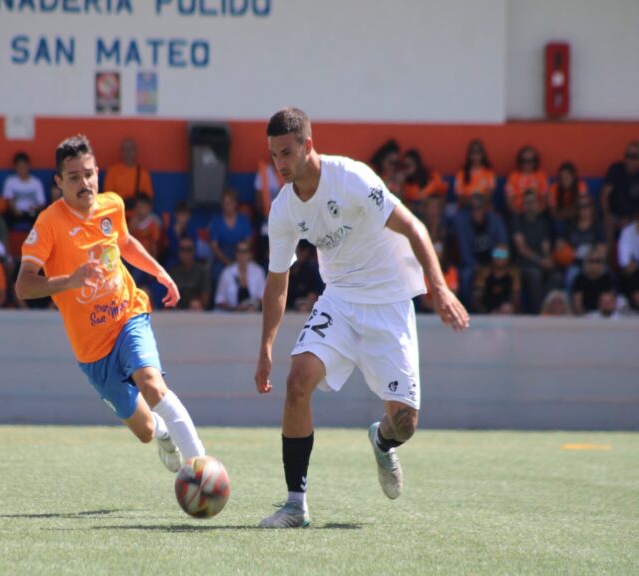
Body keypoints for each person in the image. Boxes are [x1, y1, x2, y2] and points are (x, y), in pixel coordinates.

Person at [254, 108, 469, 528]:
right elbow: (277, 283)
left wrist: (439, 287)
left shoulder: (352, 178)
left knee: (405, 423)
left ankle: (381, 440)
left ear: (307, 145)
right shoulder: (282, 210)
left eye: (285, 152)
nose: (279, 163)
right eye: (273, 155)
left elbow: (414, 227)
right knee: (298, 382)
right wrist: (265, 347)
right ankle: (295, 505)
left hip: (389, 303)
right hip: (341, 300)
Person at [14, 134, 205, 474]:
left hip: (128, 316)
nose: (84, 183)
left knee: (151, 382)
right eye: (73, 177)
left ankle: (201, 466)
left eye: (89, 174)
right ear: (59, 182)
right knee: (146, 431)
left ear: (97, 172)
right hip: (92, 350)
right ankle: (165, 435)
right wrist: (69, 281)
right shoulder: (49, 223)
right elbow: (23, 286)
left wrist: (160, 272)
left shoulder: (112, 205)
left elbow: (125, 241)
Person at [452, 192, 509, 310]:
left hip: (494, 262)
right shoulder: (463, 223)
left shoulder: (495, 221)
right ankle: (467, 311)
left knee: (503, 274)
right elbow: (464, 252)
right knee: (466, 275)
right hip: (472, 264)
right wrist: (476, 266)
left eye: (479, 208)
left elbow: (503, 245)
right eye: (472, 209)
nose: (476, 212)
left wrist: (495, 263)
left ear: (485, 208)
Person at [512, 190, 560, 314]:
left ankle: (551, 312)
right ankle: (536, 314)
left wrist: (548, 260)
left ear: (537, 204)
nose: (530, 205)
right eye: (527, 202)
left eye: (532, 201)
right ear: (523, 204)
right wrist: (540, 261)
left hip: (540, 262)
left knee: (556, 277)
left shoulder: (543, 222)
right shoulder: (517, 220)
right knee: (535, 275)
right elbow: (521, 249)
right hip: (522, 263)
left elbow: (546, 246)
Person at [600, 141, 639, 245]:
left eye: (634, 156)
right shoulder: (616, 169)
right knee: (607, 226)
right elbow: (604, 195)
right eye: (627, 156)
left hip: (634, 217)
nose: (629, 160)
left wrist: (630, 219)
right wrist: (607, 215)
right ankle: (607, 260)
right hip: (614, 215)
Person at [104, 137, 154, 214]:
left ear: (135, 151)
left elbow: (148, 199)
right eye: (125, 149)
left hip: (137, 215)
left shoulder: (143, 173)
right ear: (121, 151)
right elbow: (108, 197)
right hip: (118, 212)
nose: (128, 152)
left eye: (131, 149)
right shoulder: (112, 171)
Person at [215, 240, 265, 312]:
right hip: (231, 314)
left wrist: (250, 305)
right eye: (239, 251)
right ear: (235, 254)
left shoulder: (258, 272)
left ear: (249, 254)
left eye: (245, 251)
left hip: (253, 313)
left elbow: (262, 297)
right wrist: (236, 308)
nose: (242, 255)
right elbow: (219, 300)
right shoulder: (227, 273)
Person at [2, 151, 46, 230]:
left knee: (42, 218)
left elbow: (41, 203)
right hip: (15, 212)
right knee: (4, 218)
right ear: (15, 167)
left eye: (24, 166)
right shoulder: (10, 181)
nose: (22, 169)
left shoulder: (36, 182)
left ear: (28, 166)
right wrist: (14, 209)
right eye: (19, 166)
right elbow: (8, 200)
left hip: (32, 213)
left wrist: (36, 209)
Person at [400, 149, 448, 219]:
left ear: (416, 164)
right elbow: (412, 196)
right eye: (403, 166)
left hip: (433, 207)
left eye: (408, 166)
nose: (406, 170)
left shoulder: (429, 175)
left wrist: (427, 192)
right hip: (414, 208)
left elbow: (442, 187)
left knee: (433, 204)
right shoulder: (404, 181)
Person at [475, 244, 521, 314]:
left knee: (507, 308)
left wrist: (512, 309)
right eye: (496, 254)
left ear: (508, 257)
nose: (499, 258)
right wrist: (485, 312)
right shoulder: (484, 272)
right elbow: (477, 296)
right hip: (488, 310)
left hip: (506, 310)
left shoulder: (513, 273)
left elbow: (516, 296)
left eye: (502, 255)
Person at [167, 235, 210, 311]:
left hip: (196, 312)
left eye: (189, 250)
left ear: (193, 251)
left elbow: (205, 299)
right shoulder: (173, 271)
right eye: (182, 249)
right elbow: (168, 298)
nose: (185, 253)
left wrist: (196, 304)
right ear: (178, 252)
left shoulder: (201, 271)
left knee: (196, 304)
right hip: (176, 312)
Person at [504, 145, 549, 217]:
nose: (527, 164)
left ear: (535, 161)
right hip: (518, 213)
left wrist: (537, 212)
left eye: (530, 161)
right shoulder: (513, 177)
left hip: (537, 213)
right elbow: (509, 201)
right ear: (519, 161)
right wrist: (518, 213)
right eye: (524, 160)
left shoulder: (541, 176)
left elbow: (544, 199)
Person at [571, 248, 615, 316]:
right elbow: (577, 303)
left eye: (597, 261)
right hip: (585, 316)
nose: (594, 264)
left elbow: (610, 301)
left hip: (603, 315)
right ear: (586, 262)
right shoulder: (579, 279)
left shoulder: (607, 279)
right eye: (591, 261)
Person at [453, 139, 497, 209]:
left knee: (496, 220)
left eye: (478, 152)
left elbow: (490, 194)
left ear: (483, 154)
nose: (475, 155)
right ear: (469, 155)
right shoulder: (461, 173)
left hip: (483, 209)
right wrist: (471, 202)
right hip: (466, 208)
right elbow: (459, 196)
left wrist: (479, 202)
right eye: (473, 152)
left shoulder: (489, 173)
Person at [616, 211, 639, 311]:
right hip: (632, 273)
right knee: (631, 274)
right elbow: (625, 263)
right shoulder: (627, 232)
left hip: (635, 266)